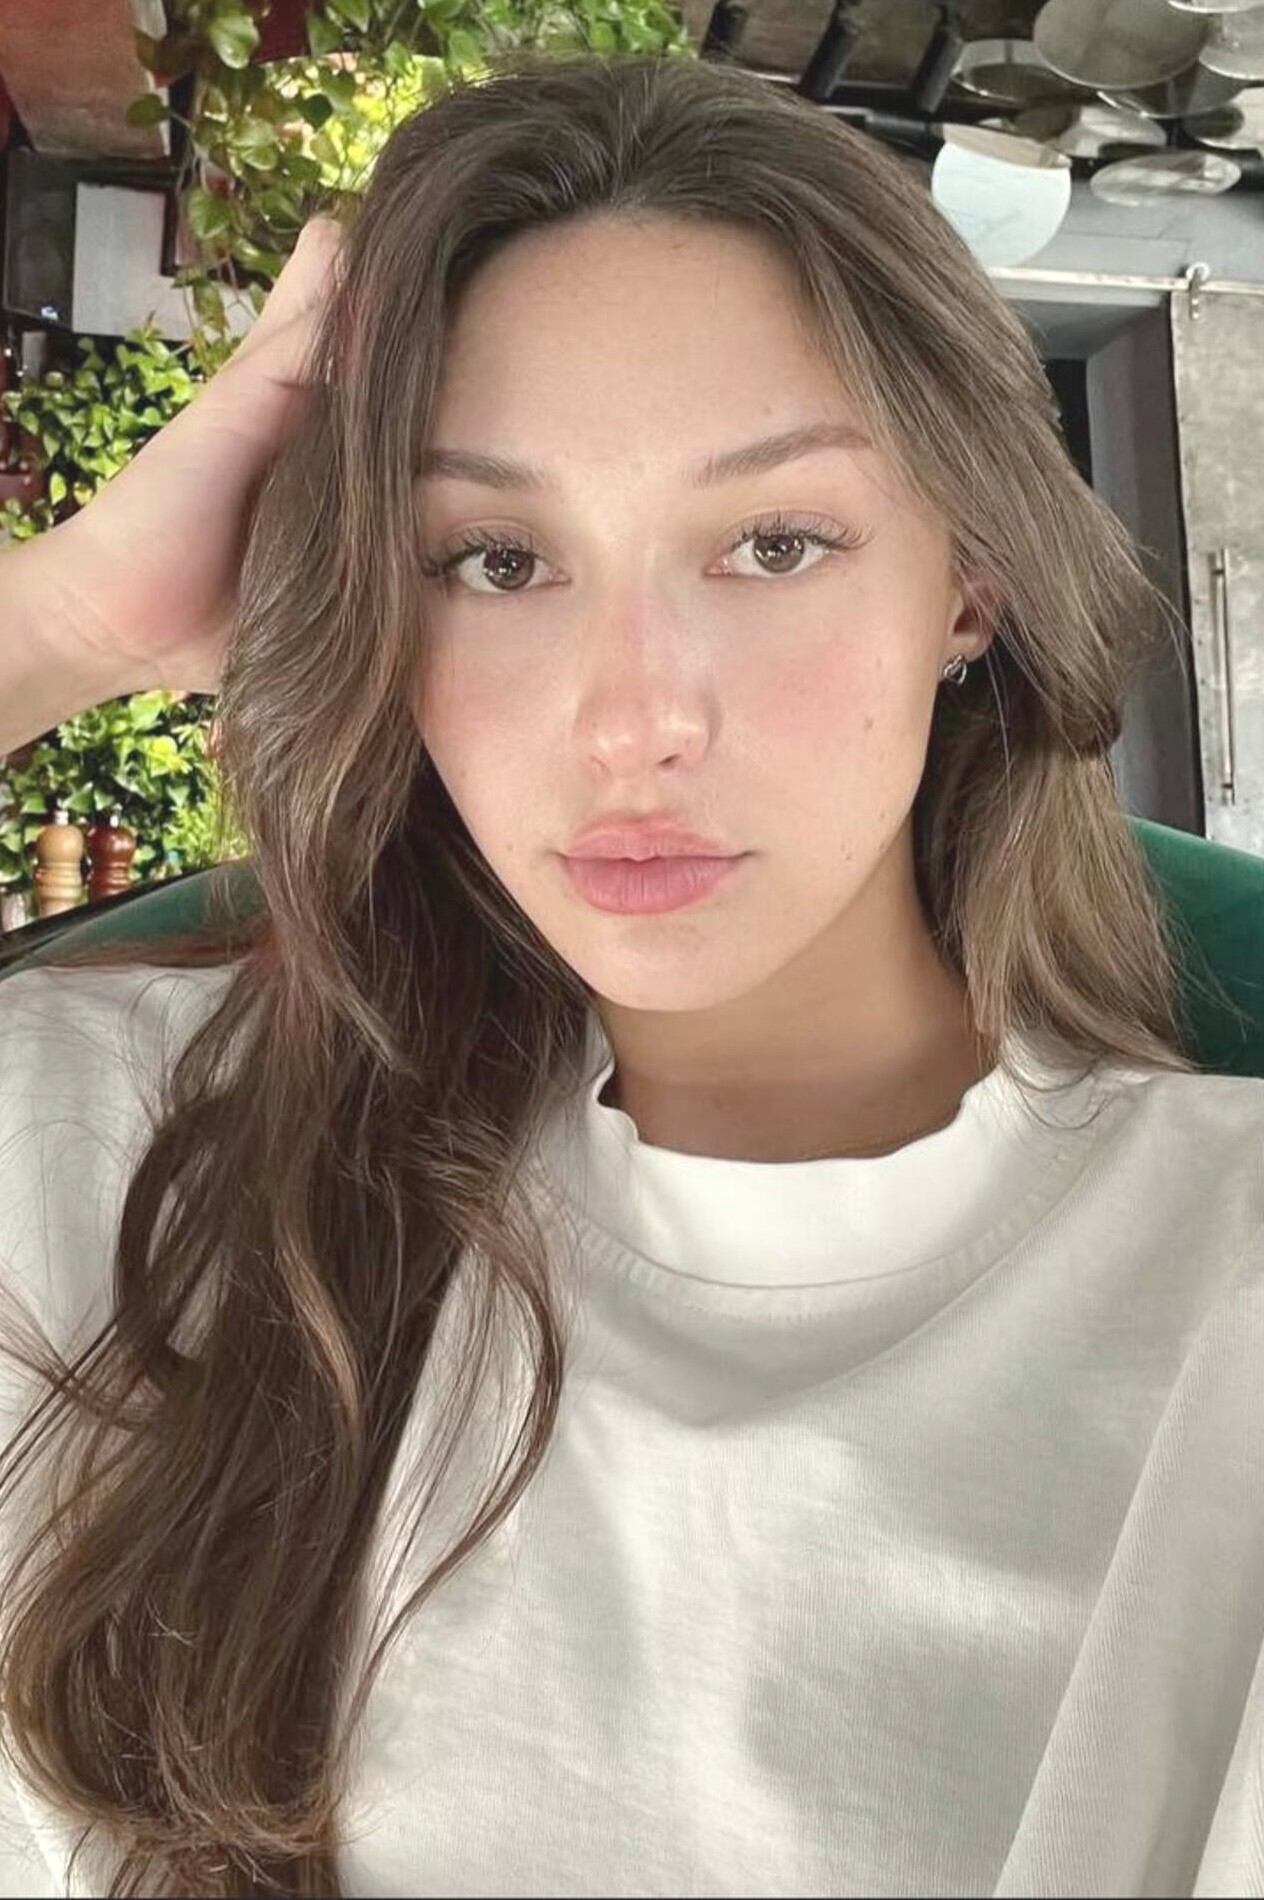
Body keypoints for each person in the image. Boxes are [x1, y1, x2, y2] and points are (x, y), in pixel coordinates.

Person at [0, 46, 1260, 1900]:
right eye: (496, 560)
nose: (632, 721)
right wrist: (69, 616)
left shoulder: (1220, 1298)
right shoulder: (117, 1140)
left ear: (970, 582)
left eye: (774, 543)